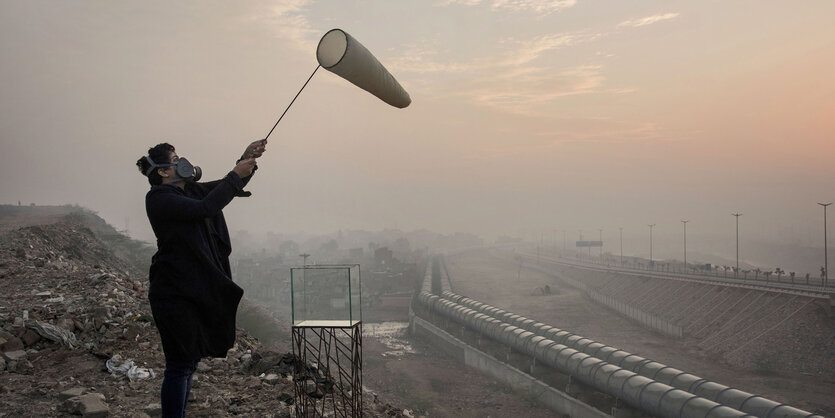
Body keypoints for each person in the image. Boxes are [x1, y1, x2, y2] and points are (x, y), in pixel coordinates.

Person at [135, 139, 266, 418]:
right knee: (179, 365)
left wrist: (245, 160)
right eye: (176, 158)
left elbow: (222, 190)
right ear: (163, 171)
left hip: (192, 288)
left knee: (188, 362)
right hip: (173, 292)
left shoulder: (189, 191)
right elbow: (205, 208)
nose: (183, 161)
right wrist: (235, 175)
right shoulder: (159, 199)